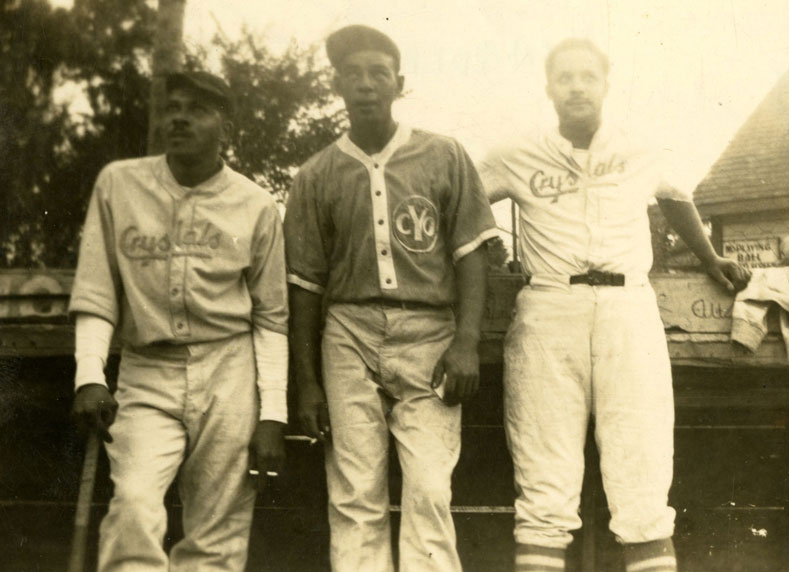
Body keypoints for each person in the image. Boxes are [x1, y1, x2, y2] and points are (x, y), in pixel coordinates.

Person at [478, 38, 750, 572]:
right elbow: (459, 199)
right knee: (544, 477)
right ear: (548, 88)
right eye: (565, 77)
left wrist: (711, 257)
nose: (577, 86)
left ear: (606, 84)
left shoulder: (639, 144)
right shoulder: (515, 151)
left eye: (587, 76)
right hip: (550, 305)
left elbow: (675, 197)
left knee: (643, 471)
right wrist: (488, 248)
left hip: (628, 307)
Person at [284, 25, 499, 572]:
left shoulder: (443, 154)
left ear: (398, 83)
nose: (365, 85)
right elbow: (305, 284)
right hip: (349, 332)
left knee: (429, 488)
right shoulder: (316, 174)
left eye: (378, 74)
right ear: (337, 85)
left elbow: (472, 254)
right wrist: (306, 381)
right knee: (356, 492)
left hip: (429, 333)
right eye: (352, 75)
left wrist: (467, 342)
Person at [69, 71, 289, 571]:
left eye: (197, 109)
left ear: (226, 130)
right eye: (173, 108)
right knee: (133, 509)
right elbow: (98, 291)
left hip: (229, 370)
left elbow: (272, 317)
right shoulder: (119, 184)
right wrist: (88, 375)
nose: (180, 118)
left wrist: (272, 413)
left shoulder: (255, 205)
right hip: (148, 368)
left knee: (219, 531)